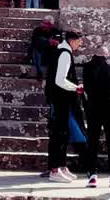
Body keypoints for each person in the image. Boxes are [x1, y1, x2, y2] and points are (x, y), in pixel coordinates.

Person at [45, 30, 84, 183]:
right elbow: (60, 80)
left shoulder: (61, 51)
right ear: (72, 40)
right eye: (79, 41)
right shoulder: (65, 54)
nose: (80, 44)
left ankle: (61, 166)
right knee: (59, 134)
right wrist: (76, 88)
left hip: (60, 100)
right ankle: (55, 170)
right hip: (61, 100)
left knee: (63, 134)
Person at [82, 51, 110, 188]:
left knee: (92, 141)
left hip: (93, 109)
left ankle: (92, 175)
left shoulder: (86, 67)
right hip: (109, 109)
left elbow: (86, 88)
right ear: (105, 55)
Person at [29, 16, 59, 80]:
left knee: (55, 49)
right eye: (42, 22)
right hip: (39, 55)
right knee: (37, 46)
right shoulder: (37, 30)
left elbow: (58, 42)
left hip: (50, 54)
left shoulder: (55, 31)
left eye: (45, 23)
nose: (42, 24)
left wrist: (51, 43)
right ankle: (39, 72)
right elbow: (34, 42)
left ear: (50, 25)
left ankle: (53, 73)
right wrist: (47, 42)